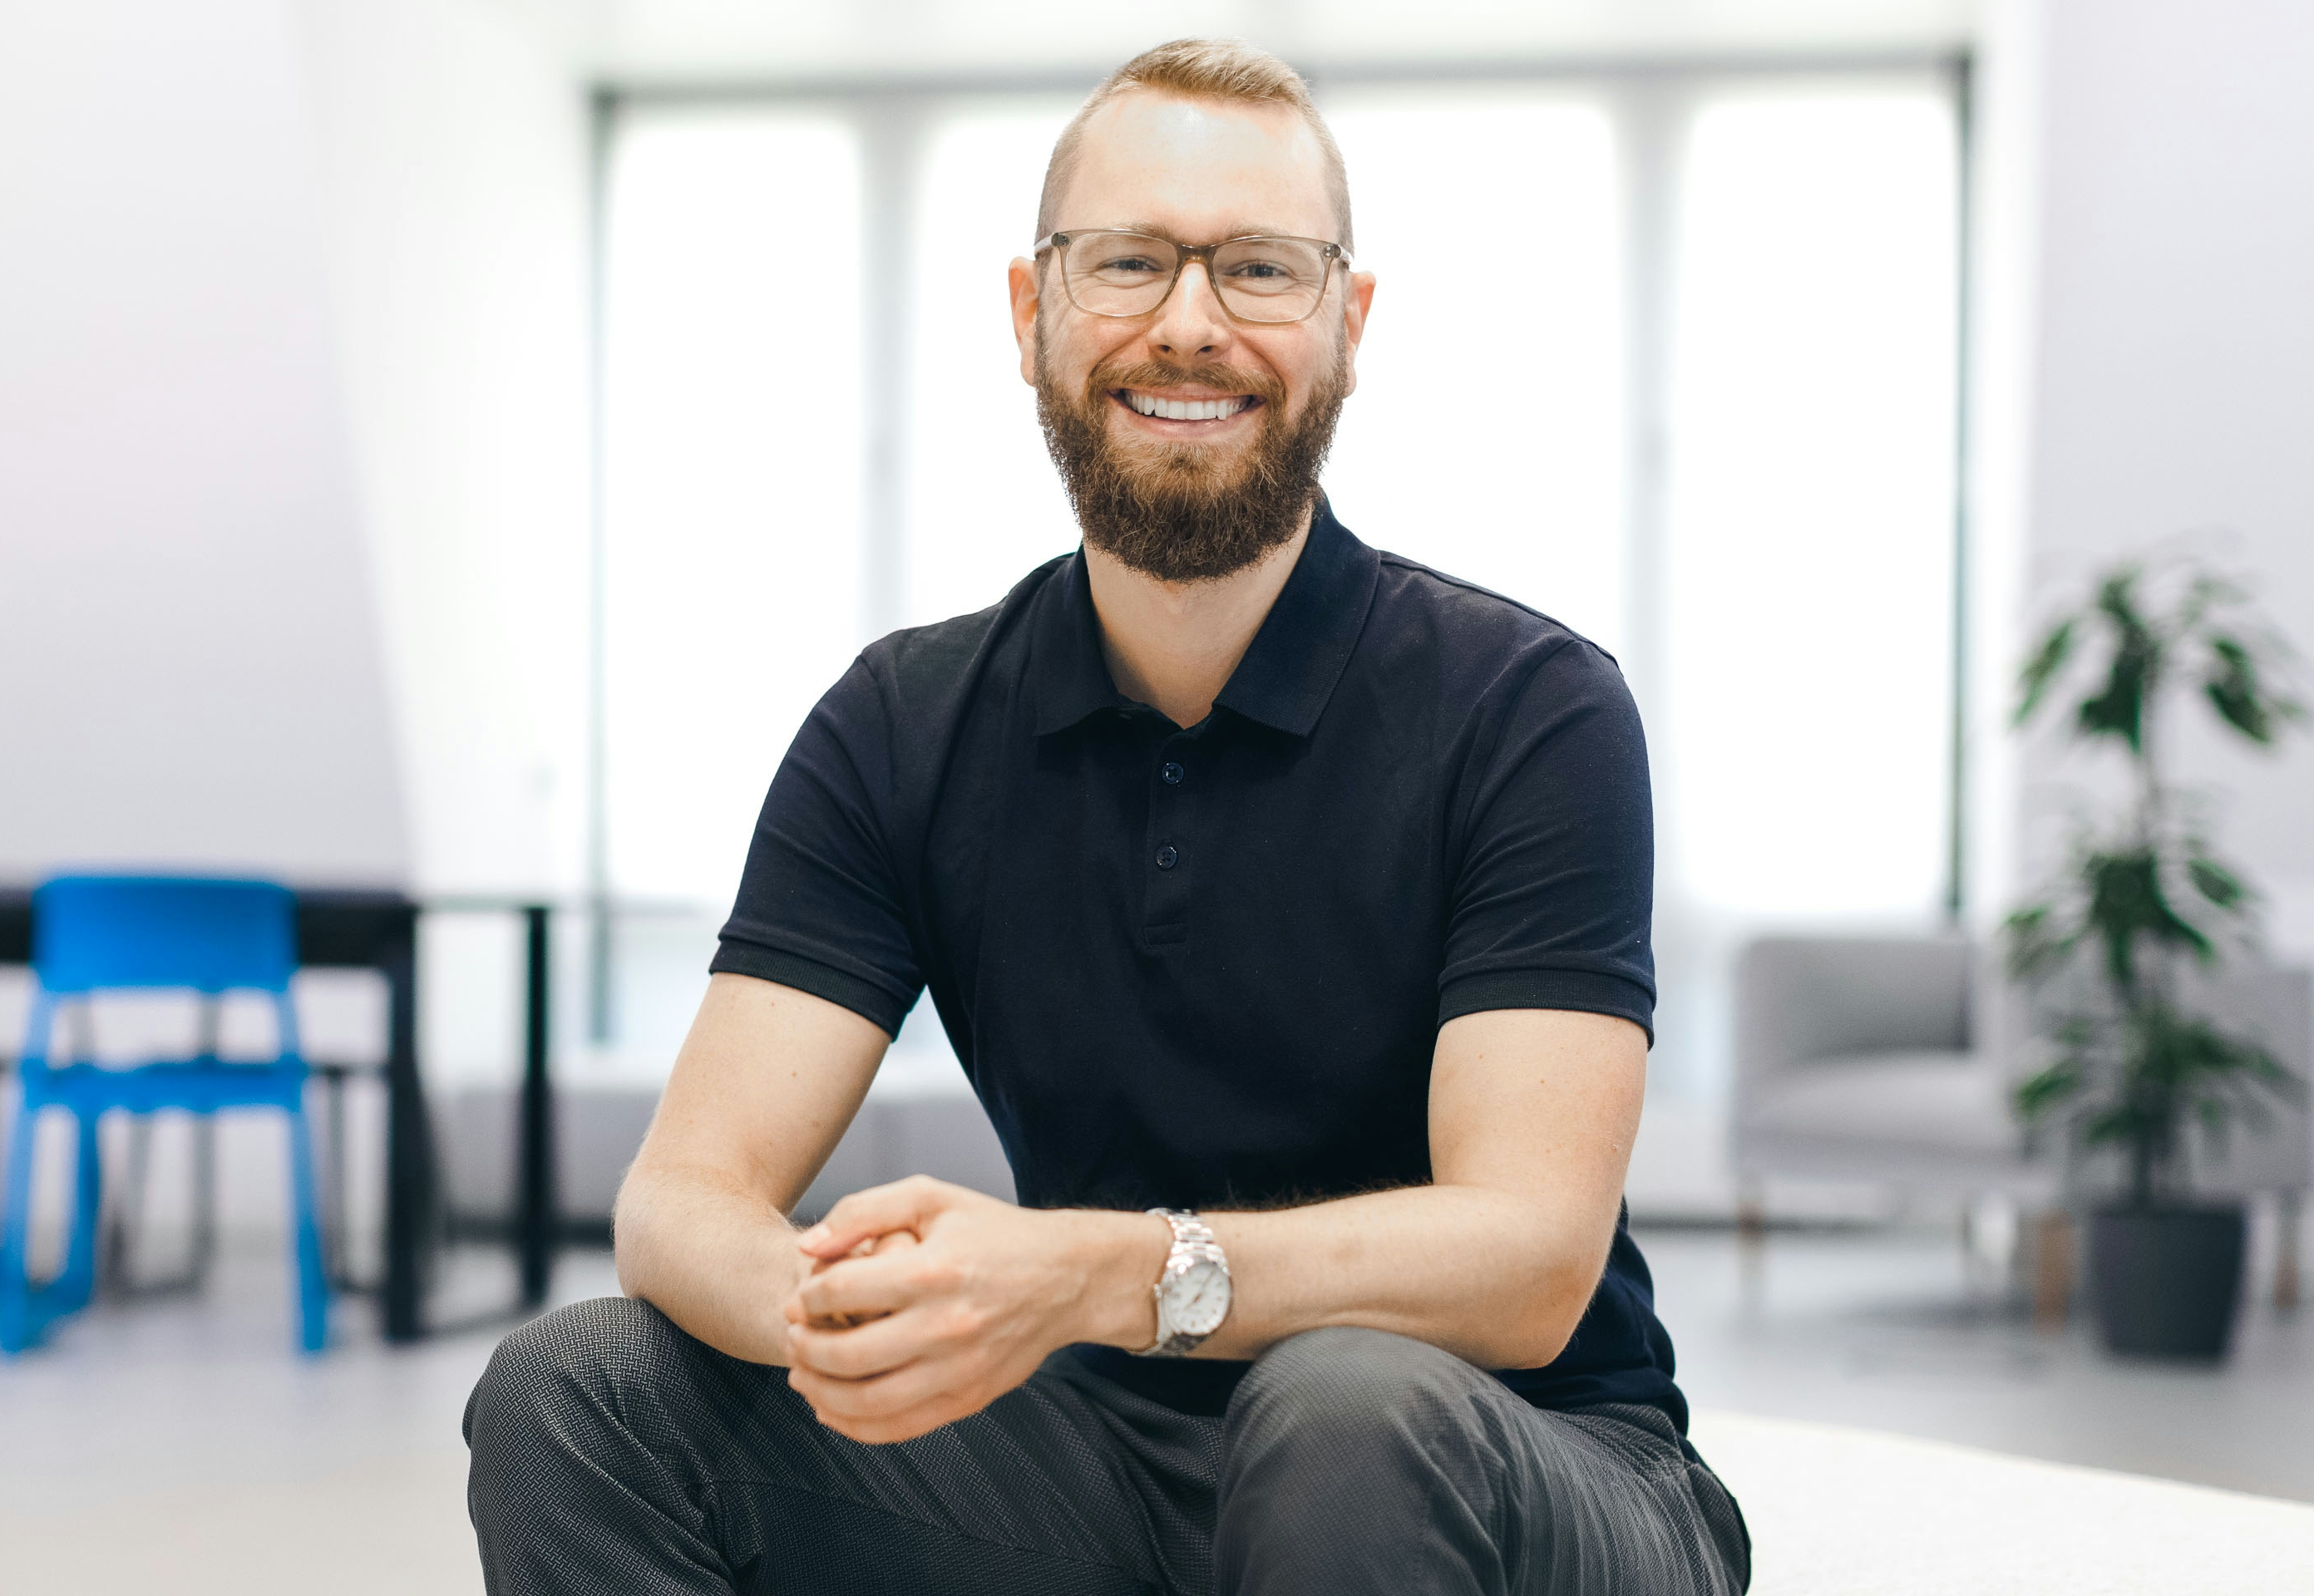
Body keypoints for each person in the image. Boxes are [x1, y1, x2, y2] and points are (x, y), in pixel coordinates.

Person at [465, 37, 1749, 1596]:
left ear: (1346, 325)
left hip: (1518, 1457)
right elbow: (681, 1200)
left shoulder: (1527, 706)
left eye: (1259, 269)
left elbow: (1530, 1265)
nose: (1190, 324)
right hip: (1097, 1463)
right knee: (579, 1392)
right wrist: (866, 1319)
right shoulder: (902, 723)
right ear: (1032, 314)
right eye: (1128, 261)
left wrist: (1095, 1271)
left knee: (1343, 1405)